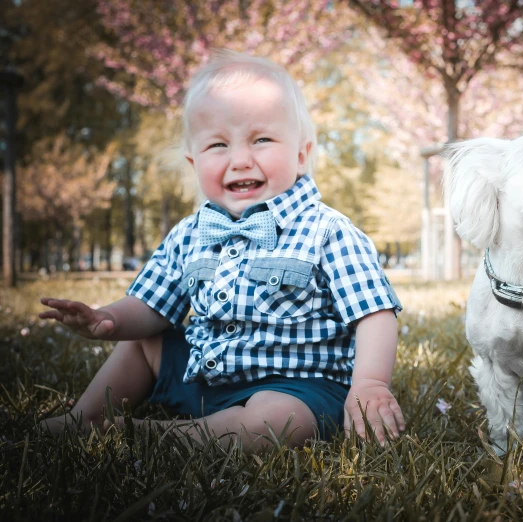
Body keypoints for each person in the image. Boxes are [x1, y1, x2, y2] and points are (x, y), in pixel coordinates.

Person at [38, 49, 405, 452]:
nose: (241, 160)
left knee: (280, 422)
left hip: (298, 386)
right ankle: (85, 416)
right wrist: (109, 318)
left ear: (301, 154)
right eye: (218, 145)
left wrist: (369, 383)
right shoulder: (189, 233)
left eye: (261, 140)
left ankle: (163, 437)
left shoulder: (327, 230)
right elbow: (151, 306)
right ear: (194, 161)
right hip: (204, 375)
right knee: (145, 343)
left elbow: (374, 312)